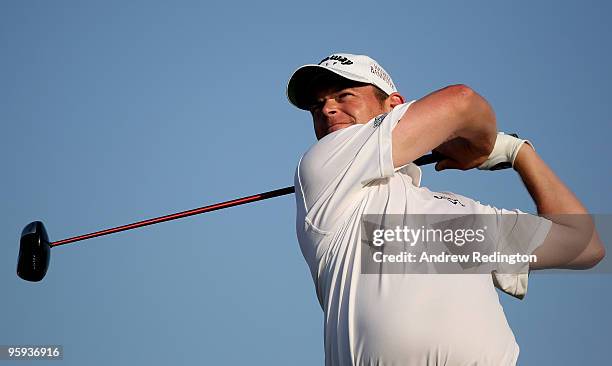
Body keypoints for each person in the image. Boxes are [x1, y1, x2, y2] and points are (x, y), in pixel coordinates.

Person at [286, 53, 605, 366]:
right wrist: (482, 147)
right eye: (316, 106)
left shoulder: (461, 214)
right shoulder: (324, 165)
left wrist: (518, 153)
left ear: (394, 106)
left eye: (344, 95)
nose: (327, 109)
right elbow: (462, 102)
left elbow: (584, 245)